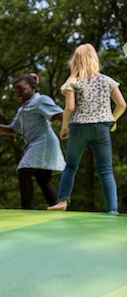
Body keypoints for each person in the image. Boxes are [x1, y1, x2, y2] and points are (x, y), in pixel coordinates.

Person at [47, 44, 126, 213]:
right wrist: (113, 120)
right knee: (106, 170)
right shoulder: (107, 80)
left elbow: (69, 108)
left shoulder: (73, 81)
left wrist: (64, 127)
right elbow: (122, 105)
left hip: (78, 128)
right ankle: (112, 209)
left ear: (75, 61)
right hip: (102, 129)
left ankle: (62, 201)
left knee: (71, 167)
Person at [0, 73, 66, 209]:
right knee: (43, 179)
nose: (18, 93)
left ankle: (25, 209)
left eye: (22, 89)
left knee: (24, 170)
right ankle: (57, 205)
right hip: (34, 144)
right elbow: (12, 129)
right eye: (16, 90)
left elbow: (59, 115)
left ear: (33, 88)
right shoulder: (22, 110)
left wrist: (68, 129)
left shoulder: (41, 100)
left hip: (44, 142)